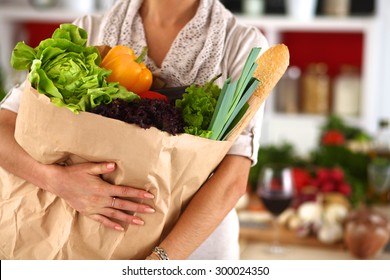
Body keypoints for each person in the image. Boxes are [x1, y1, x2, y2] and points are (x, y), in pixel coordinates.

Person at [0, 0, 268, 260]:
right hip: (84, 245)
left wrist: (160, 263)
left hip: (191, 254)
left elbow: (232, 179)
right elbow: (4, 126)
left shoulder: (241, 44)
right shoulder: (89, 29)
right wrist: (56, 181)